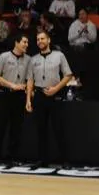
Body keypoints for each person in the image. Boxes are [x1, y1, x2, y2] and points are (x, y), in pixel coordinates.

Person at [27, 30, 73, 164]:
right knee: (41, 129)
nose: (40, 41)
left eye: (42, 39)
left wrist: (56, 89)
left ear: (48, 40)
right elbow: (30, 79)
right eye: (37, 39)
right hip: (39, 95)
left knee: (58, 128)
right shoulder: (33, 59)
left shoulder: (59, 55)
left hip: (55, 93)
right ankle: (42, 159)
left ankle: (65, 159)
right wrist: (29, 99)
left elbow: (68, 75)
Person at [0, 34, 31, 162]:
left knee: (16, 128)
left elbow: (30, 79)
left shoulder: (29, 59)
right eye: (24, 42)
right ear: (16, 43)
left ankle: (11, 156)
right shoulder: (4, 56)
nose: (26, 45)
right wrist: (11, 84)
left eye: (27, 42)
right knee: (0, 126)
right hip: (4, 94)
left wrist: (27, 90)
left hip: (19, 96)